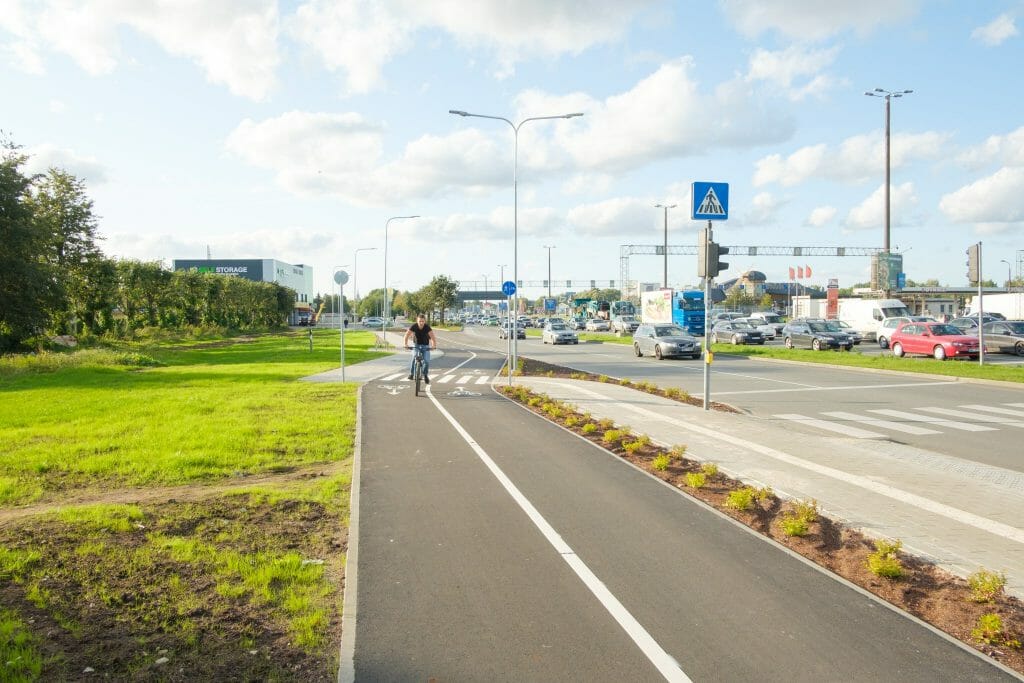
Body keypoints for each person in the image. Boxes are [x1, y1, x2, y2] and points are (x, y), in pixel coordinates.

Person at [403, 314, 436, 383]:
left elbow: (433, 338)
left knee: (426, 361)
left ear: (425, 321)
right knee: (415, 357)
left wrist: (433, 345)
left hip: (425, 346)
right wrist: (405, 344)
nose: (421, 323)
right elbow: (407, 335)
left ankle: (425, 375)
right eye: (420, 321)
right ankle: (412, 374)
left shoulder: (427, 328)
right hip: (416, 345)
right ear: (417, 321)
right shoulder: (414, 326)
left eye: (423, 321)